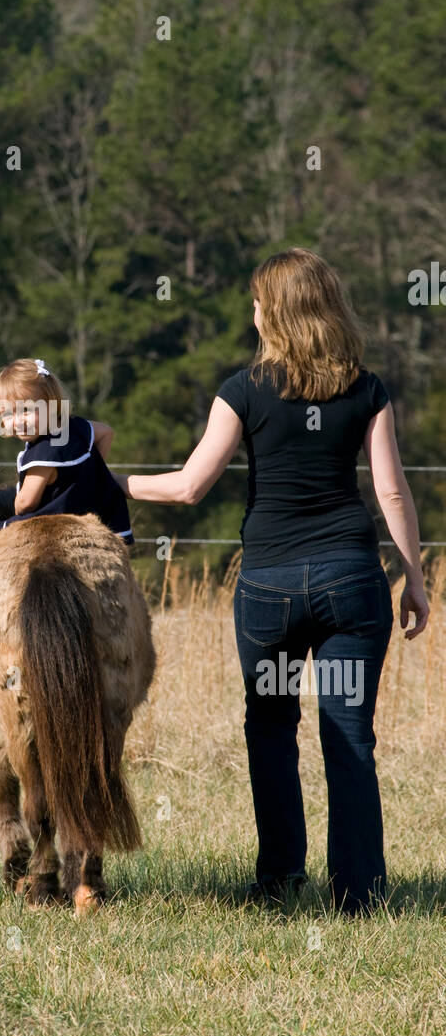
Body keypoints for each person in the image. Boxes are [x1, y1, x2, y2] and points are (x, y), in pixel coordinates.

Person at [119, 248, 429, 915]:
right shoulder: (365, 388)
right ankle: (359, 896)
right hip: (352, 586)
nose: (251, 311)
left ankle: (280, 883)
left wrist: (104, 484)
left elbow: (187, 486)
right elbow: (391, 493)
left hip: (268, 595)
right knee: (348, 735)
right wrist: (414, 577)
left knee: (269, 727)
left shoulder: (242, 390)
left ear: (276, 314)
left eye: (258, 301)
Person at [0, 357, 133, 627]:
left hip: (56, 514)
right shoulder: (77, 427)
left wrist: (13, 507)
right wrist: (90, 472)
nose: (18, 421)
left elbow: (26, 502)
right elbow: (107, 432)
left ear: (51, 405)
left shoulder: (43, 452)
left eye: (26, 410)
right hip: (99, 509)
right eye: (8, 414)